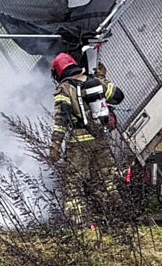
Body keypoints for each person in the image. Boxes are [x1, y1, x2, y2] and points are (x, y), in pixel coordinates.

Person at [50, 53, 124, 225]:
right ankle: (116, 216)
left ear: (57, 72)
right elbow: (118, 97)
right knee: (106, 181)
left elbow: (61, 119)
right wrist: (102, 79)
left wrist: (55, 145)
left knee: (73, 185)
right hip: (101, 139)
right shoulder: (95, 82)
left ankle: (79, 223)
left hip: (78, 144)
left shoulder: (64, 88)